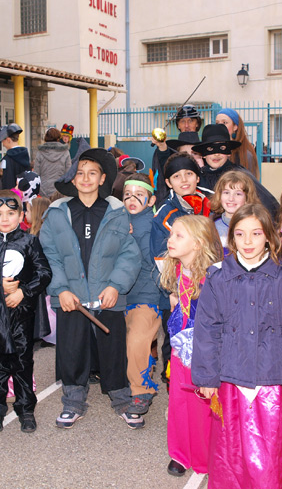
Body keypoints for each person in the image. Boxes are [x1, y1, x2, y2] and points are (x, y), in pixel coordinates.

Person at [192, 203, 282, 488]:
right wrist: (206, 377)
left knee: (273, 451)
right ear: (231, 238)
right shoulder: (217, 277)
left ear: (269, 237)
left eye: (256, 233)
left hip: (273, 380)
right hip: (230, 379)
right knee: (231, 452)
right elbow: (206, 330)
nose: (247, 242)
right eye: (240, 234)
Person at [39, 148, 142, 429]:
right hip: (70, 296)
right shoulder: (57, 212)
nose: (86, 178)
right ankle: (73, 400)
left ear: (102, 178)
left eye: (92, 173)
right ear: (72, 179)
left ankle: (121, 398)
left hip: (106, 295)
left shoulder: (116, 211)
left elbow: (128, 254)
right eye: (80, 173)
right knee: (72, 350)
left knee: (113, 349)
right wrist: (60, 289)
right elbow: (49, 255)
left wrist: (115, 287)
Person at [0, 190, 52, 433]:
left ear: (21, 215)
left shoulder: (29, 241)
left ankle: (25, 408)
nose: (5, 219)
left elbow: (43, 273)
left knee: (23, 362)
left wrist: (23, 292)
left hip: (21, 314)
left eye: (11, 213)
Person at [160, 215, 222, 477]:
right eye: (171, 234)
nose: (170, 240)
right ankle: (180, 453)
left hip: (205, 349)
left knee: (203, 404)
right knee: (179, 401)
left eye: (178, 236)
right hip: (180, 348)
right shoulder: (176, 269)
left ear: (198, 244)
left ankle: (207, 456)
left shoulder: (214, 277)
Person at [151, 152, 211, 385]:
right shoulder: (165, 214)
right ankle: (174, 389)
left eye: (189, 173)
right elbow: (160, 257)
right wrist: (173, 292)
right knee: (175, 341)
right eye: (177, 176)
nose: (184, 180)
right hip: (176, 292)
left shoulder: (210, 204)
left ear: (198, 177)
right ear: (168, 183)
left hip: (207, 288)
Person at [121, 173, 161, 415]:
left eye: (139, 195)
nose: (132, 200)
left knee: (137, 342)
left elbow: (154, 261)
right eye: (127, 195)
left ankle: (142, 390)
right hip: (120, 293)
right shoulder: (117, 220)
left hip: (147, 293)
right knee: (131, 343)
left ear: (151, 198)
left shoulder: (155, 225)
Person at [191, 124, 279, 218]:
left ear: (229, 152)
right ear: (203, 154)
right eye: (210, 149)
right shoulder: (198, 177)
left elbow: (268, 204)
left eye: (222, 148)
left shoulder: (239, 175)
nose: (216, 154)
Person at [209, 170, 260, 253]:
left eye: (238, 194)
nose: (231, 198)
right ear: (219, 195)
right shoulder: (211, 225)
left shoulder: (256, 225)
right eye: (226, 193)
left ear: (247, 198)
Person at [215, 108, 260, 179]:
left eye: (224, 123)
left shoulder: (245, 155)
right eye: (217, 123)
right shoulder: (210, 151)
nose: (220, 126)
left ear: (235, 127)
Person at [34, 127, 71, 197]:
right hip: (60, 190)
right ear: (58, 138)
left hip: (43, 190)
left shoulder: (40, 152)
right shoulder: (65, 152)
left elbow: (36, 174)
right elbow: (68, 174)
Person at [0, 123, 31, 190]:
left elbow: (7, 182)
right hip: (25, 195)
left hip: (12, 196)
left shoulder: (6, 160)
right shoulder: (25, 155)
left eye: (3, 141)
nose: (3, 144)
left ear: (8, 140)